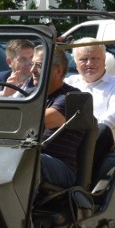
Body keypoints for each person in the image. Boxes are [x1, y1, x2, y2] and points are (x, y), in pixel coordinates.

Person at [65, 38, 115, 169]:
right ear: (76, 63)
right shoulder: (69, 83)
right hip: (67, 140)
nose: (89, 63)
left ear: (104, 60)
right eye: (83, 59)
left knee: (101, 128)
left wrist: (86, 132)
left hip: (101, 145)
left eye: (95, 58)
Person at [39, 49, 83, 188]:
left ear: (57, 71)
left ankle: (19, 209)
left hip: (61, 166)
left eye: (39, 65)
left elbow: (45, 119)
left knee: (28, 160)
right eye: (31, 64)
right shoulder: (29, 94)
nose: (32, 70)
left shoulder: (72, 96)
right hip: (32, 155)